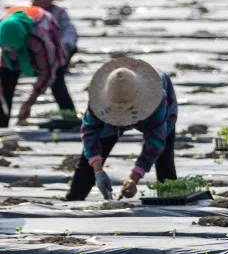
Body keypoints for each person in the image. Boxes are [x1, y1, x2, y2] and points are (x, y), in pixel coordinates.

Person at [66, 57, 178, 201]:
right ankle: (74, 197)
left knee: (164, 156)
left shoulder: (157, 98)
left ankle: (171, 199)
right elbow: (89, 133)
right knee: (93, 154)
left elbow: (155, 141)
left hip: (151, 113)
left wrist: (134, 177)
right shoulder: (101, 100)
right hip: (110, 117)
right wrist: (98, 171)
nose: (123, 118)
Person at [0, 6, 71, 127]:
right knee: (6, 81)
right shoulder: (3, 32)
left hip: (48, 47)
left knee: (57, 82)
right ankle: (2, 124)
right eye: (7, 49)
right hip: (15, 38)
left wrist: (29, 102)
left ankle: (71, 119)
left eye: (12, 49)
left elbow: (48, 72)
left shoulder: (39, 37)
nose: (11, 54)